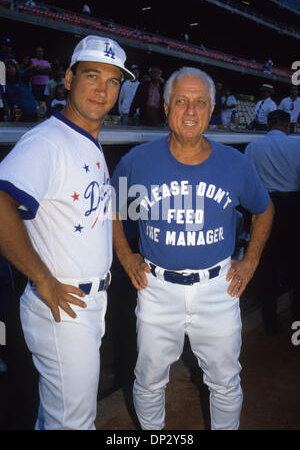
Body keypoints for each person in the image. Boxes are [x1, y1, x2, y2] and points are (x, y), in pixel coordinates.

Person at [112, 67, 274, 431]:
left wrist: (249, 263)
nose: (190, 111)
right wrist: (125, 255)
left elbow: (264, 209)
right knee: (150, 379)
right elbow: (112, 208)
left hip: (218, 288)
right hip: (156, 289)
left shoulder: (235, 163)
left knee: (225, 381)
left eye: (200, 102)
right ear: (166, 108)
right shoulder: (137, 161)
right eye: (181, 101)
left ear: (212, 109)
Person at [0, 35, 134, 430]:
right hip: (63, 304)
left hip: (88, 302)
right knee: (74, 423)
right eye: (92, 75)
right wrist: (43, 280)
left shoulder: (89, 141)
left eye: (113, 81)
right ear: (69, 79)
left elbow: (102, 211)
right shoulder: (47, 141)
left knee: (57, 415)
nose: (102, 89)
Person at [245, 110, 300, 334]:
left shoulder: (252, 147)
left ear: (268, 125)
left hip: (264, 207)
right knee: (297, 265)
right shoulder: (297, 144)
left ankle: (270, 323)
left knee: (267, 264)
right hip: (293, 206)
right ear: (288, 126)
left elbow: (248, 183)